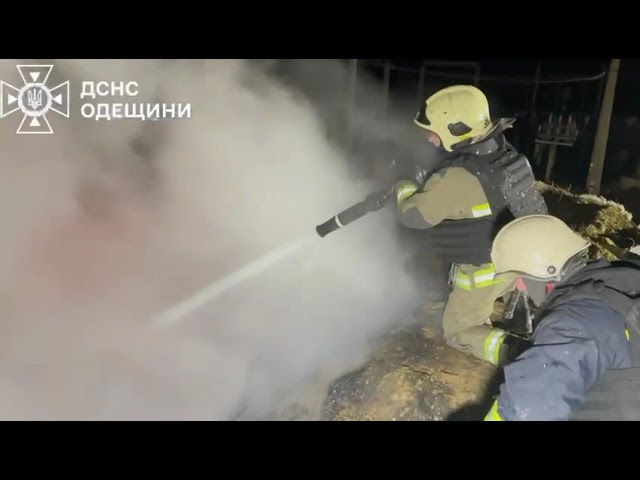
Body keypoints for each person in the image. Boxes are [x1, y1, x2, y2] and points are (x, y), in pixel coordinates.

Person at [395, 84, 548, 366]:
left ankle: (528, 358)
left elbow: (413, 216)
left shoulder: (457, 177)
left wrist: (403, 184)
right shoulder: (506, 153)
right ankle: (520, 308)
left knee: (459, 331)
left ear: (457, 130)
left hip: (486, 270)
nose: (429, 139)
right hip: (524, 259)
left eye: (434, 132)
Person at [483, 214, 640, 421]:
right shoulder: (622, 283)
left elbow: (530, 409)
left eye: (521, 278)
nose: (520, 287)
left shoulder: (572, 322)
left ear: (544, 275)